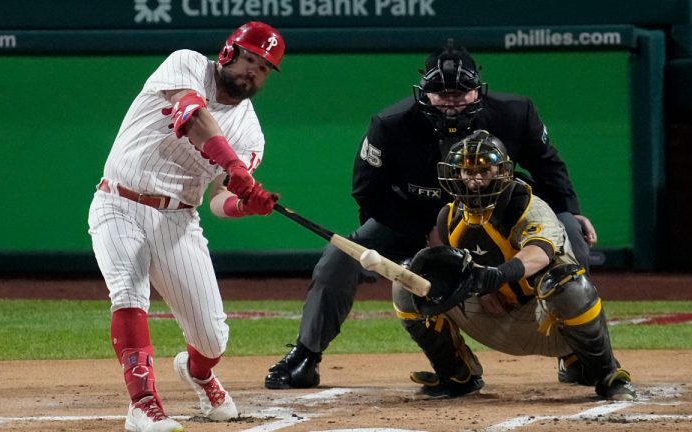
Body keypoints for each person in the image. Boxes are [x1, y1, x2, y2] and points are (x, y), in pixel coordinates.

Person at [264, 40, 597, 390]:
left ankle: (578, 351)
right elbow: (368, 191)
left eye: (460, 92)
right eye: (441, 93)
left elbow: (548, 167)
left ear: (477, 91)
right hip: (414, 222)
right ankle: (306, 355)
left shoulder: (515, 113)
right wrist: (428, 236)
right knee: (338, 258)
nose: (451, 101)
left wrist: (568, 211)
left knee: (571, 236)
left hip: (500, 222)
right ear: (424, 93)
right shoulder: (390, 125)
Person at [87, 21, 283, 431]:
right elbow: (192, 114)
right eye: (250, 59)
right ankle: (144, 406)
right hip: (119, 201)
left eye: (264, 68)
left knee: (213, 338)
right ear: (229, 52)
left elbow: (217, 202)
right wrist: (232, 166)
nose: (254, 71)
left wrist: (246, 206)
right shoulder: (187, 63)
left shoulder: (251, 133)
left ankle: (198, 372)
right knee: (127, 293)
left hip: (179, 220)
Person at [391, 129, 635, 401]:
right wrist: (478, 289)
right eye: (467, 171)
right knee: (409, 283)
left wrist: (496, 276)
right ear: (455, 174)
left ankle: (605, 373)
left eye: (485, 171)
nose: (476, 180)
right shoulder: (448, 217)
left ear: (502, 171)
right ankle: (457, 375)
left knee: (568, 283)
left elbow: (539, 253)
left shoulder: (527, 206)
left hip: (548, 322)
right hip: (495, 319)